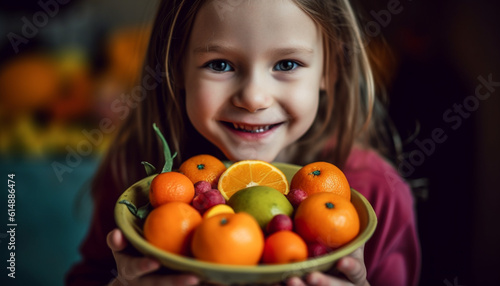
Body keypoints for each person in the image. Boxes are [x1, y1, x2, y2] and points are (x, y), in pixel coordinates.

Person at [66, 0, 421, 285]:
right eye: (219, 64)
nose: (254, 98)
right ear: (176, 68)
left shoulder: (375, 194)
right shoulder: (142, 181)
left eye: (287, 63)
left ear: (331, 69)